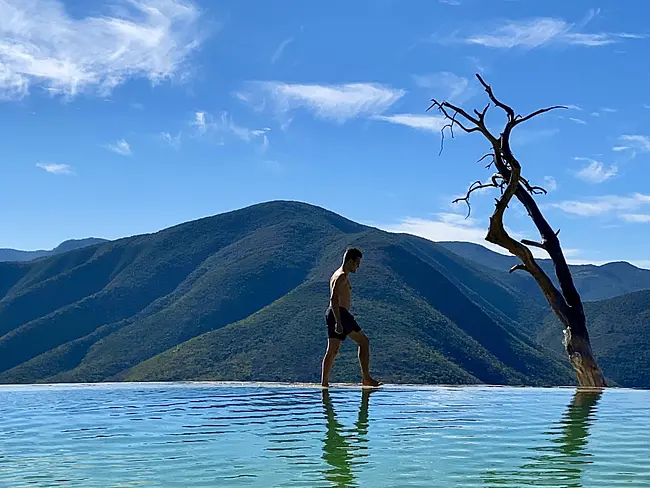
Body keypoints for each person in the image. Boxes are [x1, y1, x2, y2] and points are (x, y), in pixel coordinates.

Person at [321, 247, 381, 388]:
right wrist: (339, 322)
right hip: (339, 313)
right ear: (350, 261)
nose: (358, 266)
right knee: (364, 342)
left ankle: (324, 382)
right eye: (357, 263)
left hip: (336, 313)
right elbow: (334, 298)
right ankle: (366, 378)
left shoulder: (337, 274)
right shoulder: (341, 276)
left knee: (333, 350)